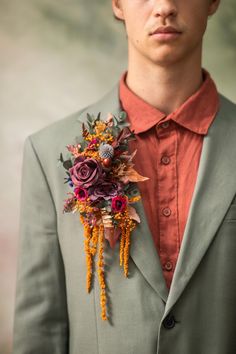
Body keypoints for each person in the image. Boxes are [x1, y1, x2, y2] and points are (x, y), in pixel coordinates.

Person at [13, 0, 236, 353]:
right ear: (117, 3)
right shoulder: (48, 153)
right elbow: (41, 328)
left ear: (212, 3)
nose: (164, 6)